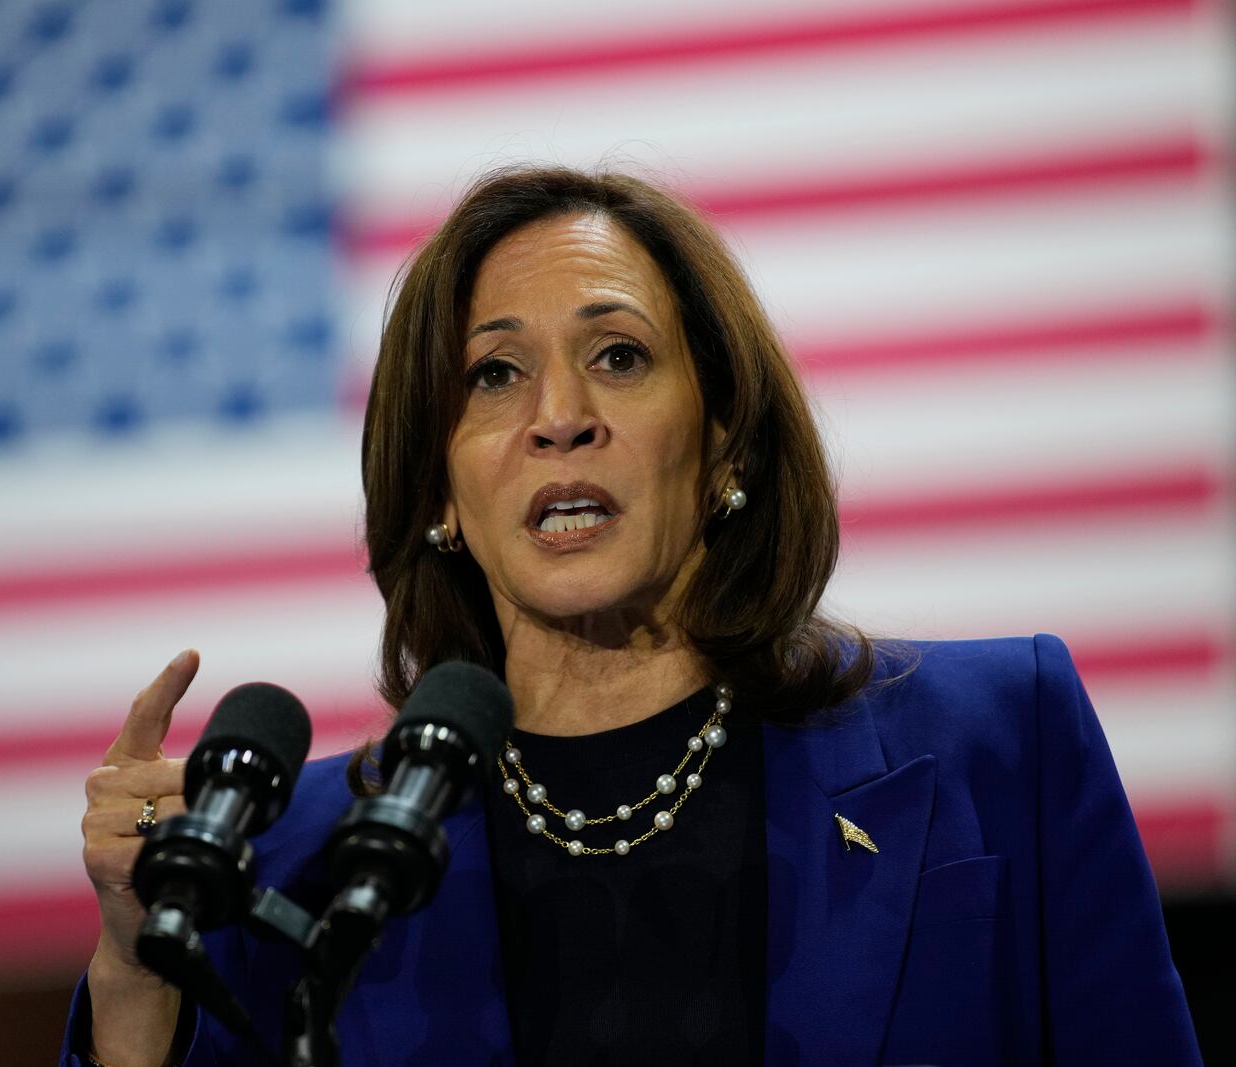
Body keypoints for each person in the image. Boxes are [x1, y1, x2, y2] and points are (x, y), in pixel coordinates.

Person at [64, 167, 1201, 1066]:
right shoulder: (308, 854)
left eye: (619, 355)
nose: (559, 416)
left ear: (724, 447)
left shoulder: (997, 735)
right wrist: (132, 967)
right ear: (437, 491)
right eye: (493, 375)